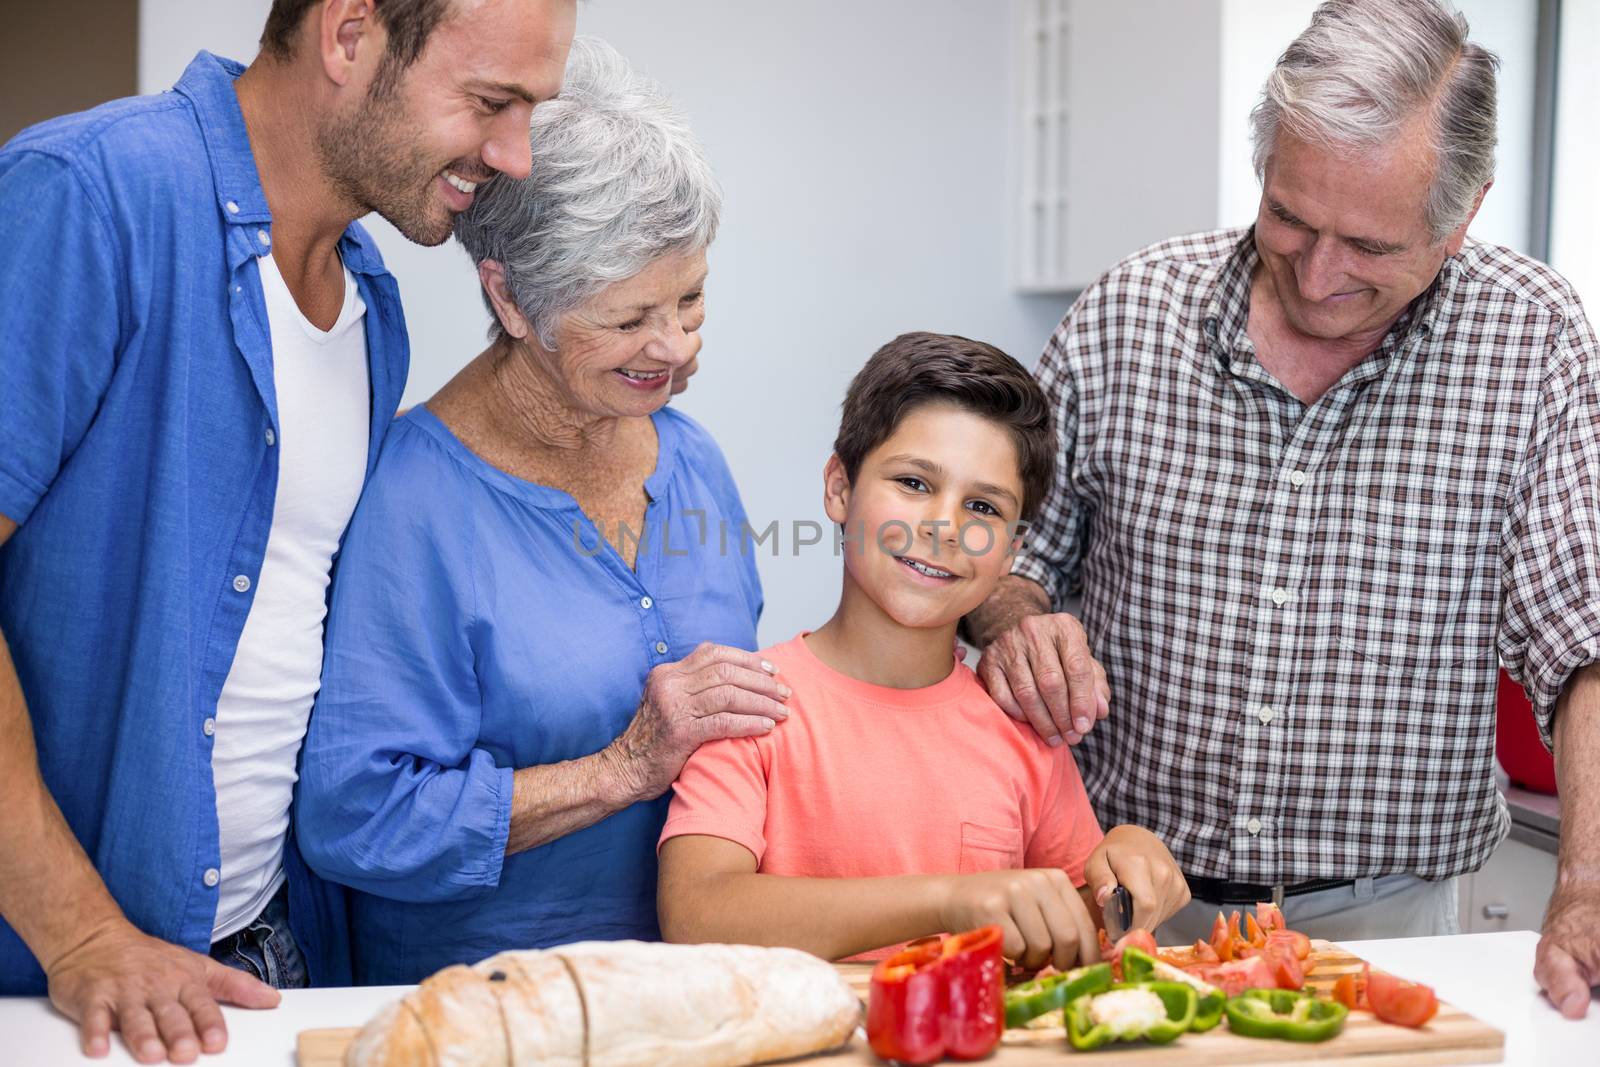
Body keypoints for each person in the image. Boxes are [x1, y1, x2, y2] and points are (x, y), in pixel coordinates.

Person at [964, 0, 1600, 1016]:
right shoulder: (1129, 311)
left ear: (1462, 213)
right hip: (1123, 896)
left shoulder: (1531, 339)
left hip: (1388, 922)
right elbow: (1002, 562)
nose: (1317, 272)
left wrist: (1587, 880)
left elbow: (1581, 636)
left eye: (1367, 243)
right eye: (1291, 218)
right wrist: (1019, 622)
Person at [0, 0, 575, 1059]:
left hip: (271, 955)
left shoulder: (372, 304)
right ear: (350, 36)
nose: (516, 156)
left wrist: (987, 589)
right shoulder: (91, 198)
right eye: (492, 104)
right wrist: (81, 927)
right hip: (59, 984)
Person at [293, 37, 782, 986]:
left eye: (691, 298)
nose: (676, 348)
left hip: (689, 994)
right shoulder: (409, 497)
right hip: (480, 1006)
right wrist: (625, 765)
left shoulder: (694, 461)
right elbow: (356, 818)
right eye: (631, 316)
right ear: (510, 298)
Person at [656, 332, 1190, 969]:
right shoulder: (750, 705)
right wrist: (950, 900)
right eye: (913, 482)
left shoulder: (1023, 730)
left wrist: (1123, 866)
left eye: (983, 506)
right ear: (838, 488)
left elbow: (1077, 925)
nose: (943, 526)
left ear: (1014, 549)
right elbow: (696, 915)